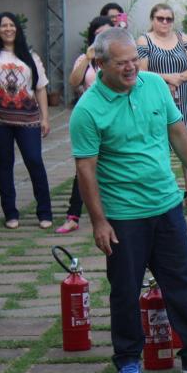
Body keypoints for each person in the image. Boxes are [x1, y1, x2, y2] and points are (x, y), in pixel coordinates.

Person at [70, 28, 187, 373]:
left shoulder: (155, 86)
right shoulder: (87, 110)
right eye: (121, 63)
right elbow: (86, 169)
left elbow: (178, 132)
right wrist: (99, 221)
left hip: (166, 203)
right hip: (124, 214)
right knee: (125, 288)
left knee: (182, 281)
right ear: (100, 64)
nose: (131, 68)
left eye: (134, 60)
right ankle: (128, 358)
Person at [0, 12, 53, 230]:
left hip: (29, 120)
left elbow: (41, 88)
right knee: (4, 165)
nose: (8, 29)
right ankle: (11, 214)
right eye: (3, 25)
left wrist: (45, 118)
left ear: (17, 29)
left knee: (34, 161)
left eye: (11, 25)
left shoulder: (30, 56)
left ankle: (45, 212)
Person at [137, 3, 187, 214]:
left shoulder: (183, 39)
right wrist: (167, 78)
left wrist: (179, 78)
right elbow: (141, 71)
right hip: (156, 98)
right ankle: (162, 193)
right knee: (158, 146)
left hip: (183, 99)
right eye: (159, 18)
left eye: (168, 19)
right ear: (152, 19)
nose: (164, 22)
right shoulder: (144, 40)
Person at [57, 16, 114, 234]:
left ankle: (114, 211)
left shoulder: (118, 57)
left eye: (108, 32)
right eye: (99, 33)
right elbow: (73, 82)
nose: (103, 37)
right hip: (91, 118)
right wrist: (87, 58)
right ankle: (73, 216)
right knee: (84, 166)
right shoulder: (86, 58)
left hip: (115, 116)